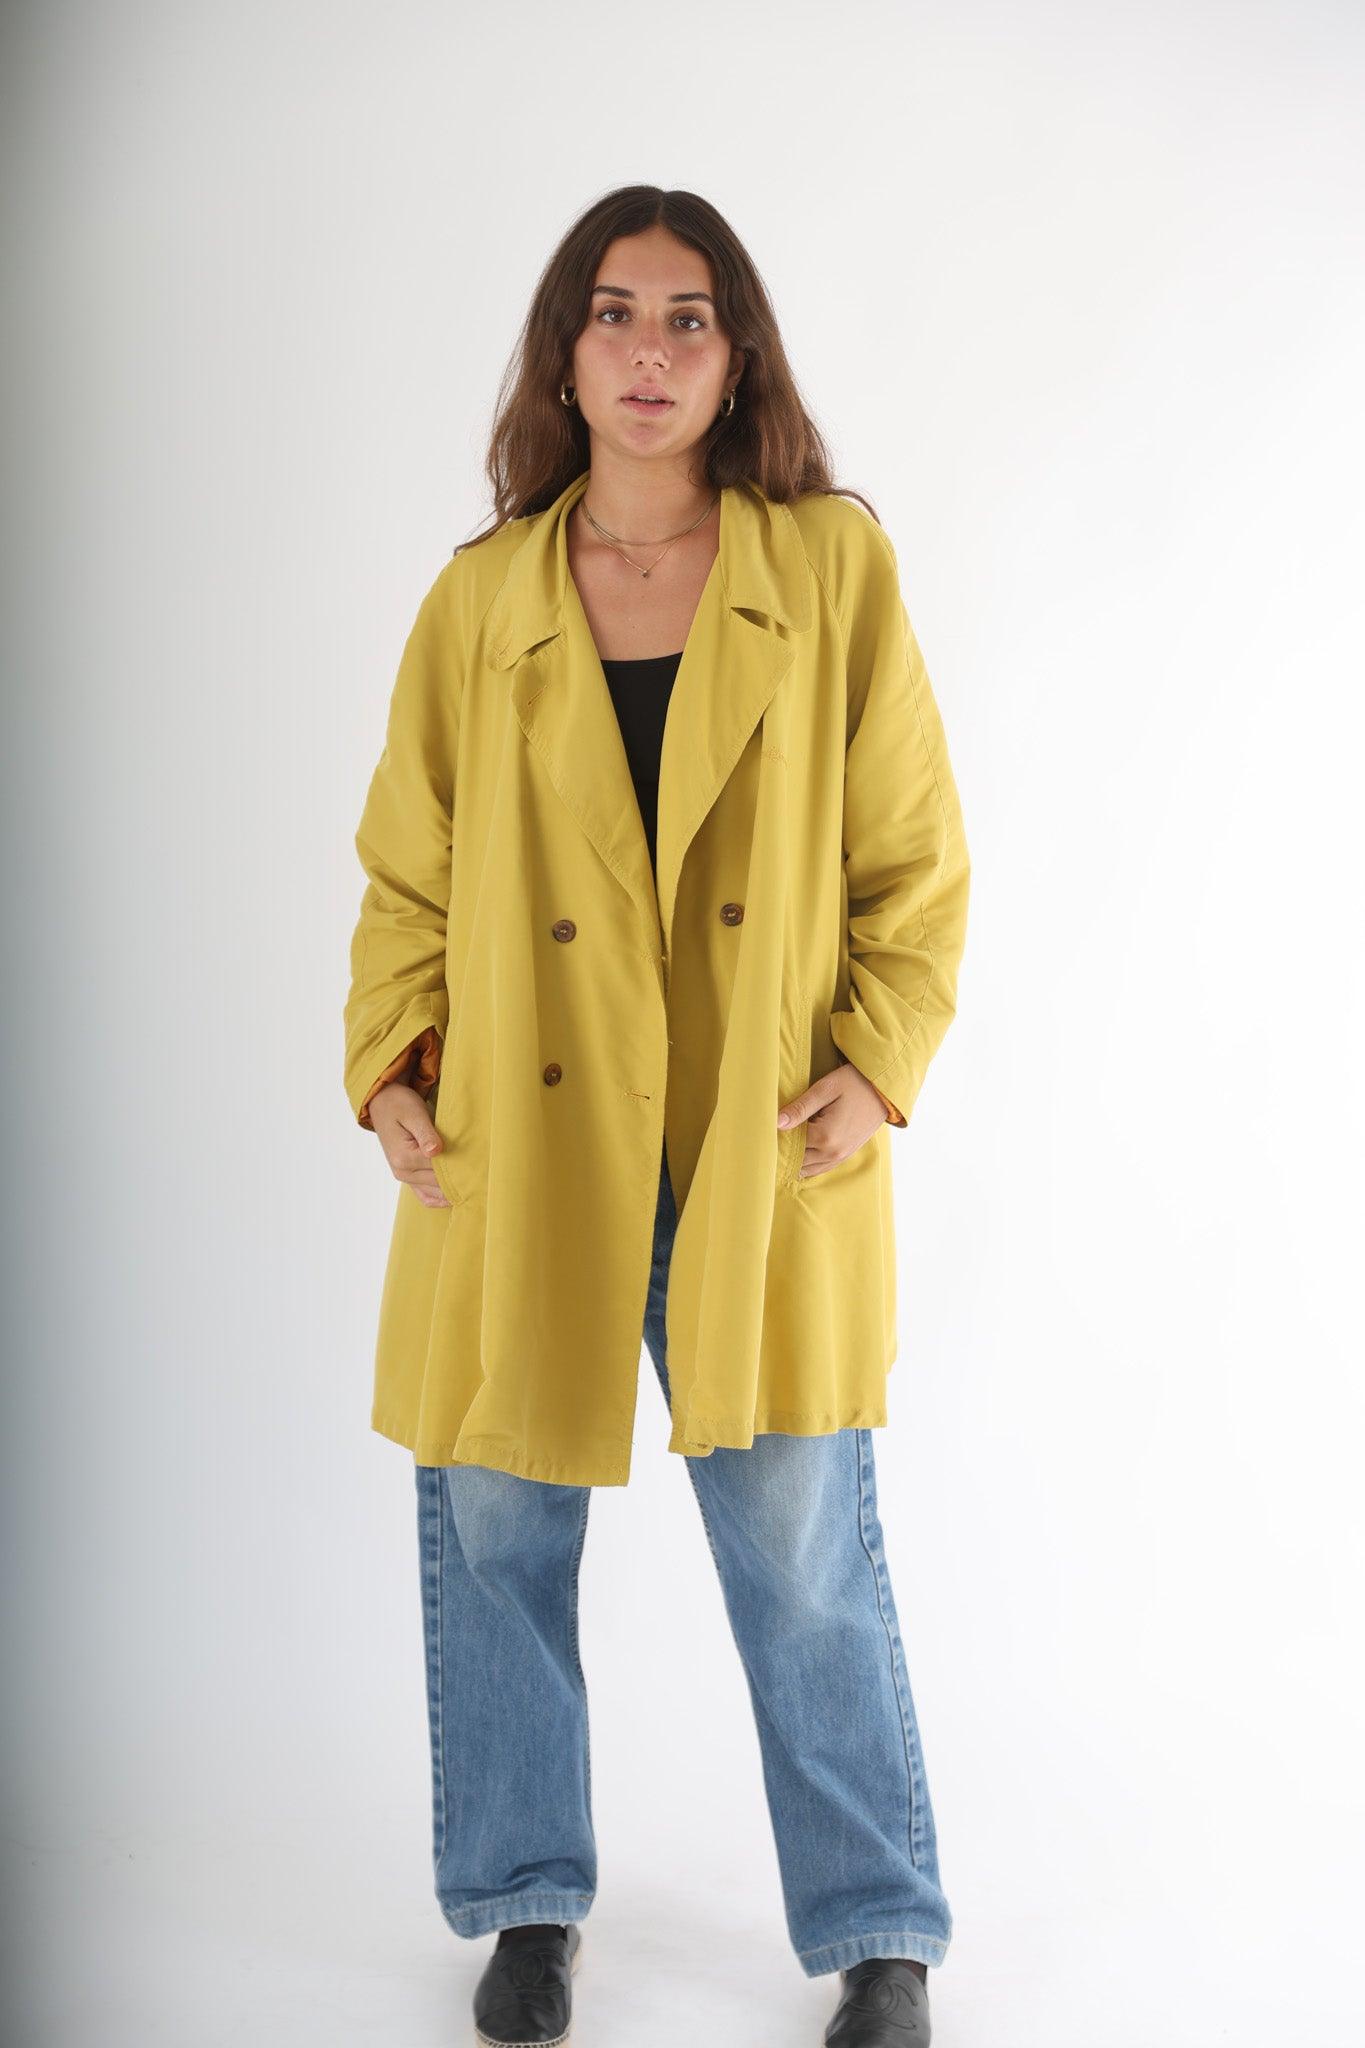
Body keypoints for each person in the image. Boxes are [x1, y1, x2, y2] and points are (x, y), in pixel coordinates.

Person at [342, 185, 971, 2048]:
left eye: (687, 316)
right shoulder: (481, 599)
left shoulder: (827, 569)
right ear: (564, 353)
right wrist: (389, 1063)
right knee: (495, 1544)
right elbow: (405, 871)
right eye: (612, 313)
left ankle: (877, 1932)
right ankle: (524, 1905)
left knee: (806, 1555)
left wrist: (879, 1051)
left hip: (756, 1138)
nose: (647, 350)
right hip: (520, 1142)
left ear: (736, 353)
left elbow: (914, 857)